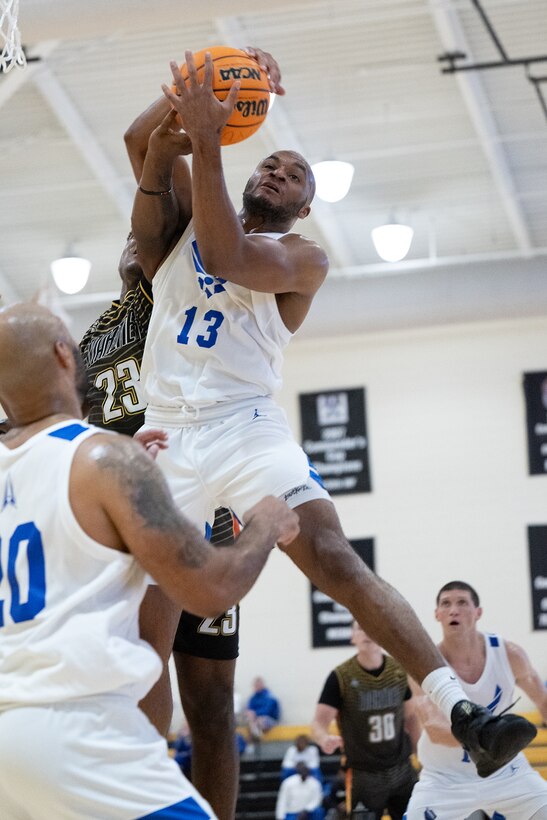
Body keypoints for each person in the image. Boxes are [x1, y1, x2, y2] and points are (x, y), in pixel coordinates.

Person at [130, 47, 537, 783]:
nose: (276, 171)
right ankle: (132, 765)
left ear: (304, 206)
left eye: (293, 174)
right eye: (270, 163)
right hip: (166, 432)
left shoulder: (301, 257)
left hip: (244, 425)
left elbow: (225, 256)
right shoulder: (189, 216)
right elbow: (139, 143)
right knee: (141, 617)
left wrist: (209, 139)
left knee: (333, 554)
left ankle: (460, 709)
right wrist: (189, 102)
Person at [79, 47, 285, 820]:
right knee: (140, 658)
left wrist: (200, 110)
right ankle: (136, 798)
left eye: (148, 235)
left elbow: (152, 161)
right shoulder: (96, 333)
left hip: (206, 491)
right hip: (133, 501)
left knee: (213, 690)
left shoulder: (185, 281)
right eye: (128, 244)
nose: (136, 245)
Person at [0, 301, 300, 819]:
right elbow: (209, 589)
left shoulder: (38, 464)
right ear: (64, 356)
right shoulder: (105, 459)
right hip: (81, 733)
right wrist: (266, 525)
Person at [404, 581, 547, 820]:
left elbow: (543, 702)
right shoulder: (423, 666)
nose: (453, 610)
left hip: (507, 773)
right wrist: (489, 736)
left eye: (462, 602)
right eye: (446, 604)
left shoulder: (509, 653)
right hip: (445, 779)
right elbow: (434, 729)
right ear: (437, 614)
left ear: (478, 612)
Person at [311, 622, 419, 820]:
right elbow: (318, 723)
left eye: (370, 626)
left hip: (402, 768)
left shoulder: (398, 671)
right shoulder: (340, 677)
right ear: (352, 637)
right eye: (360, 628)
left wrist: (421, 754)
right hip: (364, 774)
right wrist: (323, 738)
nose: (367, 632)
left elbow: (411, 716)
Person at [245, 675, 280, 741]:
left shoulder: (269, 697)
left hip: (270, 719)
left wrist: (255, 713)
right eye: (255, 685)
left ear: (262, 685)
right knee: (251, 720)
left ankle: (255, 735)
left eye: (258, 685)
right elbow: (249, 709)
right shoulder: (253, 698)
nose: (256, 687)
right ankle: (255, 733)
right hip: (254, 721)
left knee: (260, 720)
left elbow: (267, 711)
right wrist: (249, 713)